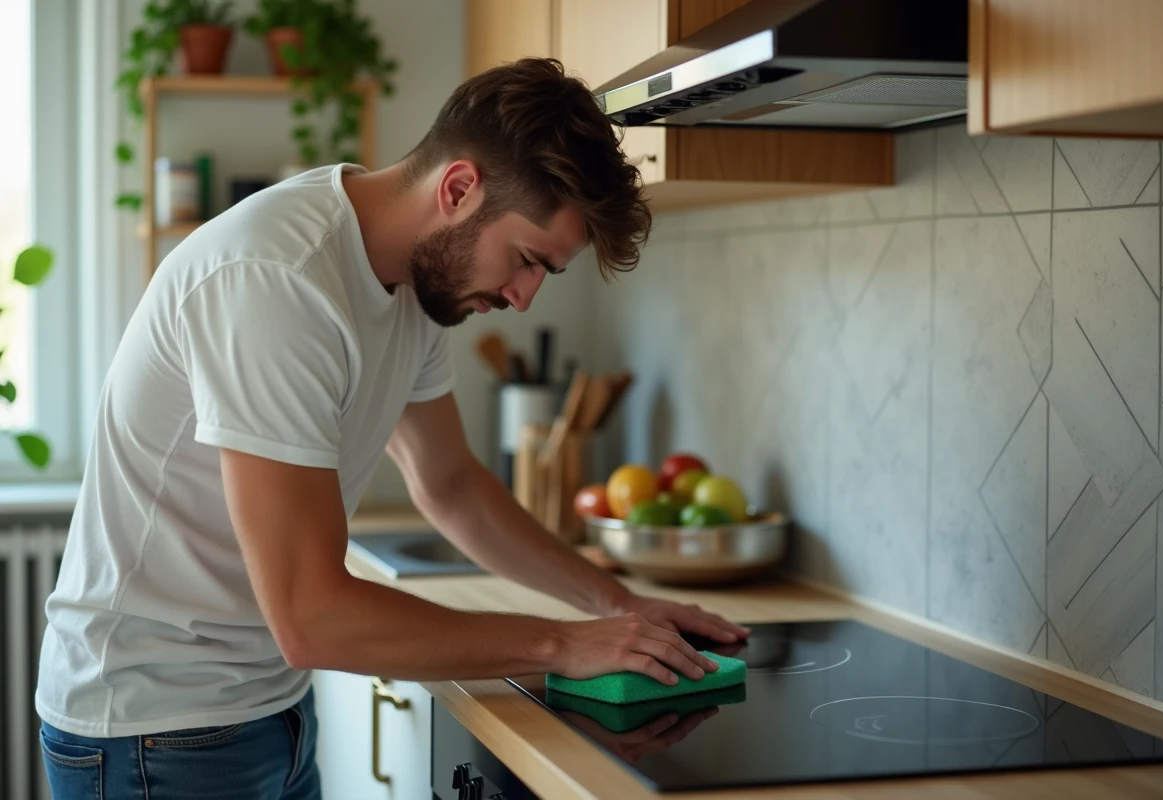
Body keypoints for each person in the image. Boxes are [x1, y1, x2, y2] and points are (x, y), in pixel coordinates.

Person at [35, 57, 749, 799]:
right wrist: (563, 644)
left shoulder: (414, 284)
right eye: (527, 259)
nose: (525, 297)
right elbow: (311, 615)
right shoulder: (278, 282)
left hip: (263, 707)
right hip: (150, 730)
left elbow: (451, 486)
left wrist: (619, 606)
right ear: (459, 189)